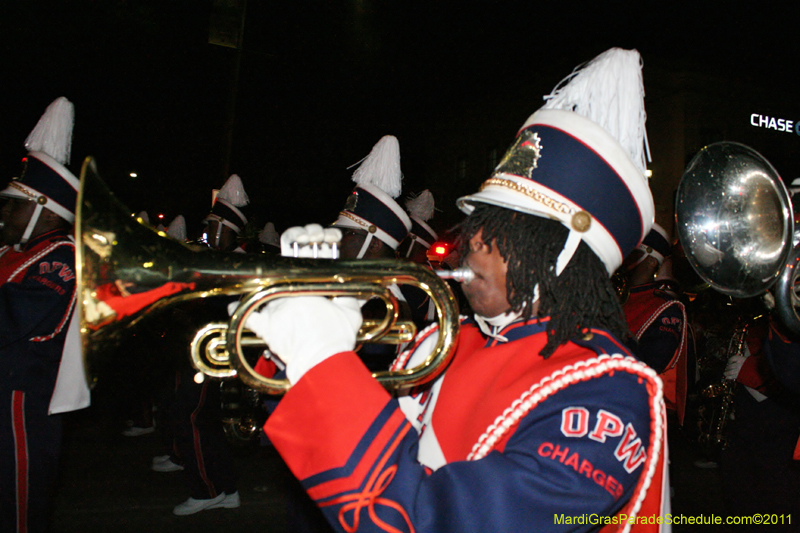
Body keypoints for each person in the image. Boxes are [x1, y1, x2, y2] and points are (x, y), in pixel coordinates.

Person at [246, 48, 668, 532]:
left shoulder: (608, 391)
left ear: (563, 256)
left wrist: (324, 365)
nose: (474, 243)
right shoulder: (442, 342)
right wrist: (292, 345)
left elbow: (435, 520)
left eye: (505, 232)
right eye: (478, 224)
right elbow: (337, 464)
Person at [0, 97, 90, 533]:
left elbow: (11, 319)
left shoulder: (60, 258)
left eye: (13, 204)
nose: (5, 213)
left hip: (20, 400)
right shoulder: (18, 251)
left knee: (17, 505)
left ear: (40, 209)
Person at [161, 175, 247, 515]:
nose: (209, 233)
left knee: (193, 417)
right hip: (204, 351)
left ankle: (207, 489)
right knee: (201, 421)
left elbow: (225, 313)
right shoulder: (218, 259)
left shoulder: (238, 264)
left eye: (214, 227)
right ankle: (223, 487)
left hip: (214, 355)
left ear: (230, 230)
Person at [621, 224, 689, 425]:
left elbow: (651, 364)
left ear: (651, 260)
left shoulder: (666, 307)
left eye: (633, 254)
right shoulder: (621, 297)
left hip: (645, 410)